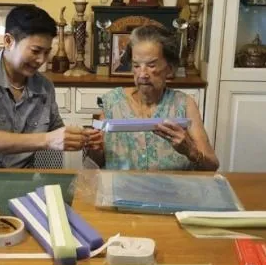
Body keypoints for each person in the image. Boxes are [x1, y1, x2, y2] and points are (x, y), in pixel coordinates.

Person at [0, 5, 101, 168]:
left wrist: (85, 137)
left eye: (47, 52)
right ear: (8, 41)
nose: (42, 60)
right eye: (35, 51)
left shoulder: (45, 87)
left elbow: (58, 132)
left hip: (18, 178)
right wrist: (47, 140)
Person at [89, 25, 219, 171]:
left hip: (172, 185)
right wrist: (94, 149)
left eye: (151, 66)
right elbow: (97, 161)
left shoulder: (183, 104)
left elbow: (212, 165)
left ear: (170, 68)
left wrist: (191, 151)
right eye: (136, 66)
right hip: (121, 185)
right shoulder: (112, 103)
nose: (142, 74)